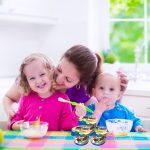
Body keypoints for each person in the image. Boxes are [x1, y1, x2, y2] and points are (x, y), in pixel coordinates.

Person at [3, 45, 128, 120]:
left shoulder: (82, 93)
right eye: (59, 69)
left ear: (80, 83)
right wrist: (10, 110)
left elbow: (105, 109)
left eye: (68, 79)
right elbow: (8, 97)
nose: (58, 79)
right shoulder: (38, 77)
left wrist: (119, 90)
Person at [8, 53, 85, 131]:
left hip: (51, 141)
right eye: (32, 78)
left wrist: (76, 115)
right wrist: (14, 125)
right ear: (27, 81)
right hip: (29, 139)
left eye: (42, 74)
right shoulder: (25, 98)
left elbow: (66, 127)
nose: (38, 81)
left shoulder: (63, 99)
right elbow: (17, 118)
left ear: (51, 72)